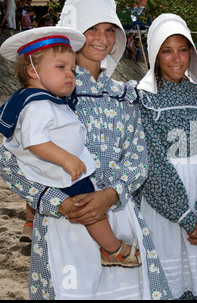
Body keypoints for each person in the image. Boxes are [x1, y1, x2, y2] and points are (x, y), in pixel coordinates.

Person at [0, 0, 170, 300]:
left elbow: (138, 158)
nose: (102, 39)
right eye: (92, 29)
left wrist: (111, 194)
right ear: (74, 32)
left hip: (119, 217)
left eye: (109, 30)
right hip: (64, 221)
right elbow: (10, 163)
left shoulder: (123, 95)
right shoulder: (41, 96)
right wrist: (56, 203)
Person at [0, 26, 142, 268]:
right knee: (90, 213)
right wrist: (66, 159)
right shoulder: (37, 106)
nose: (70, 75)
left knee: (92, 212)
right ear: (32, 71)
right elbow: (33, 142)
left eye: (72, 70)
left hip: (67, 178)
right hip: (64, 178)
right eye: (61, 68)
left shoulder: (48, 100)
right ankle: (113, 249)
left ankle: (110, 249)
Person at [135, 13, 197, 300]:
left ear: (192, 53)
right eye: (167, 50)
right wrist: (183, 214)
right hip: (163, 202)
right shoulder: (142, 98)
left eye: (183, 50)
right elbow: (155, 162)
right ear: (154, 54)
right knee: (170, 278)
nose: (176, 58)